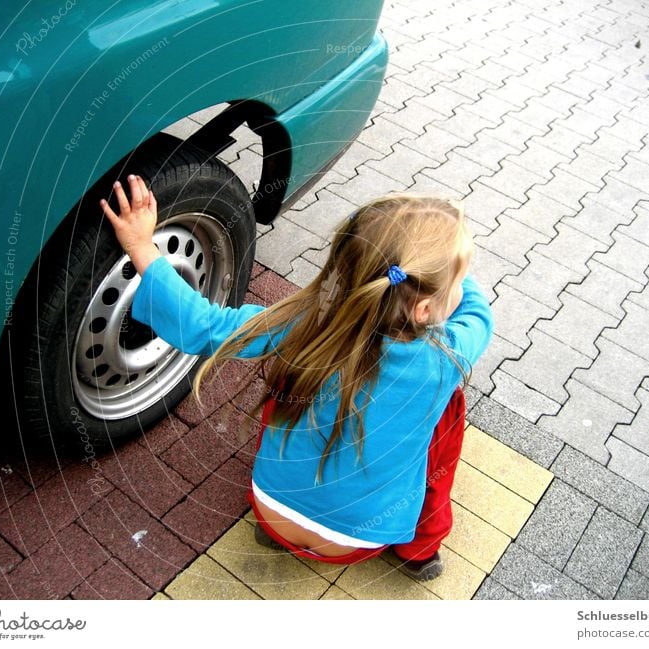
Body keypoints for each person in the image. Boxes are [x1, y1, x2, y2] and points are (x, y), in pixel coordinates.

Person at [101, 174, 493, 581]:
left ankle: (283, 523)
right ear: (425, 310)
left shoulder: (302, 324)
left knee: (298, 375)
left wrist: (140, 245)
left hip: (272, 511)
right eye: (454, 284)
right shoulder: (448, 355)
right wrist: (448, 269)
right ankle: (420, 550)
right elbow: (479, 313)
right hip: (356, 543)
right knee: (447, 410)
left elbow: (202, 324)